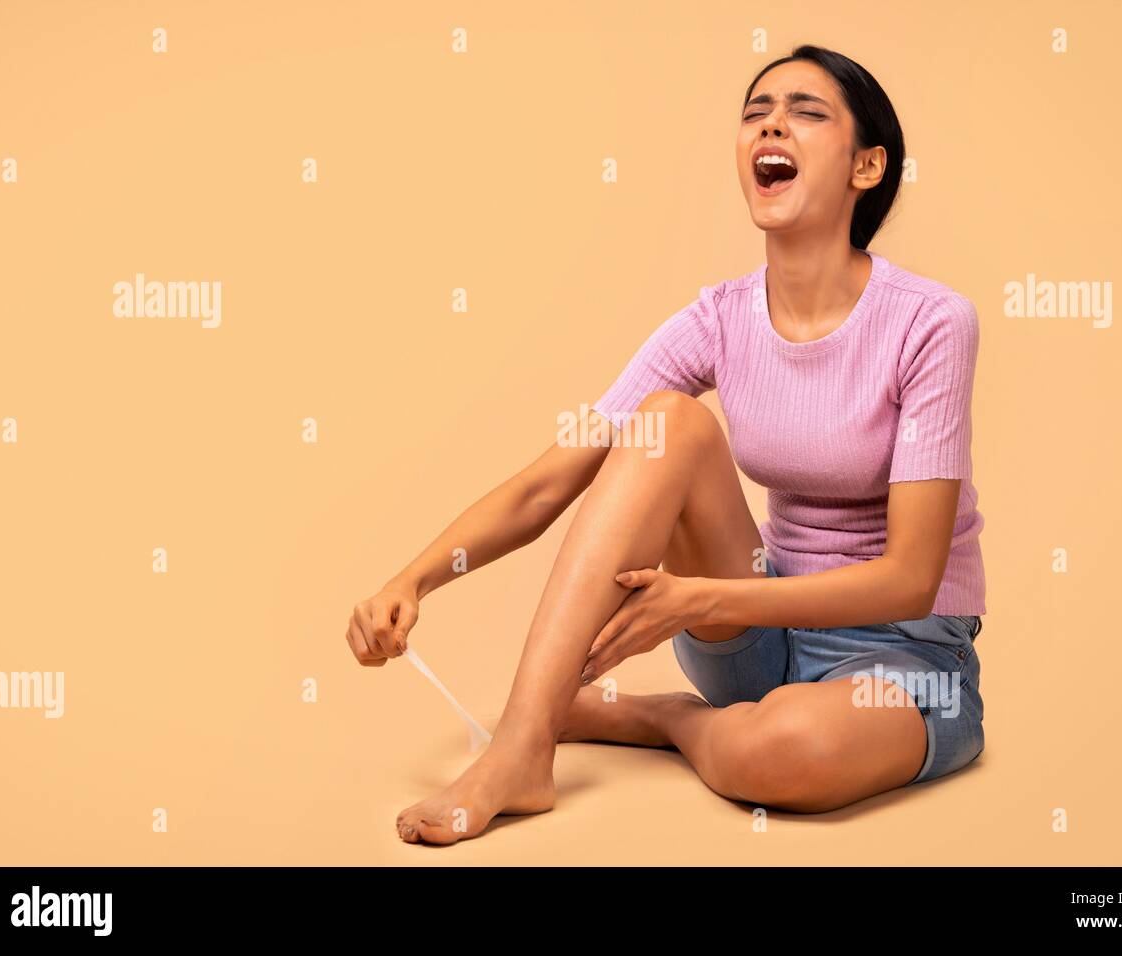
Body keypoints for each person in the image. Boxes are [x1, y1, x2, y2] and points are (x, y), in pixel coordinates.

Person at [346, 44, 987, 845]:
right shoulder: (717, 320)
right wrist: (412, 580)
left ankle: (662, 720)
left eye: (805, 112)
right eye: (755, 112)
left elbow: (910, 580)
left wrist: (702, 601)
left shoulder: (930, 323)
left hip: (902, 658)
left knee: (780, 758)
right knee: (669, 422)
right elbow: (550, 483)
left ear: (867, 166)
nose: (771, 125)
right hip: (758, 636)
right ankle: (522, 747)